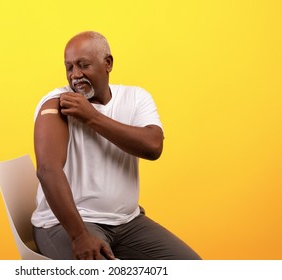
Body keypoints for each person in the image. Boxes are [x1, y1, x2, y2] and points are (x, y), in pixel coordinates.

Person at [31, 31, 201, 260]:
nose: (75, 75)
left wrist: (92, 117)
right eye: (69, 67)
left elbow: (153, 147)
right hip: (69, 225)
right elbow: (47, 170)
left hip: (127, 223)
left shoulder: (136, 97)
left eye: (83, 65)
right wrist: (80, 236)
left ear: (108, 63)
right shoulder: (57, 103)